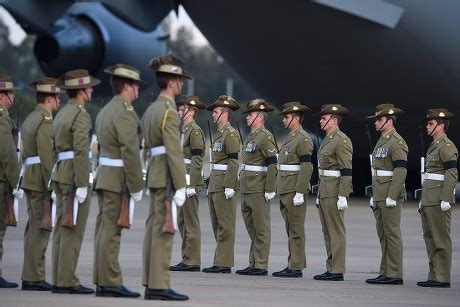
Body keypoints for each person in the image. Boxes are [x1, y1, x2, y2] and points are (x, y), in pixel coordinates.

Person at [141, 54, 190, 301]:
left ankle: (151, 282)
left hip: (154, 174)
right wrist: (181, 184)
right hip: (166, 177)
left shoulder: (152, 109)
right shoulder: (169, 111)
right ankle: (159, 285)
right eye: (179, 79)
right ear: (172, 82)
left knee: (154, 228)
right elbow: (174, 150)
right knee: (164, 230)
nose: (181, 84)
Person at [93, 64, 144, 298]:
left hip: (105, 176)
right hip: (116, 179)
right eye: (135, 85)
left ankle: (103, 281)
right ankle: (111, 281)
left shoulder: (105, 111)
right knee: (111, 233)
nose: (137, 90)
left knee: (104, 231)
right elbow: (130, 151)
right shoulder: (125, 112)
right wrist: (136, 185)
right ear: (126, 86)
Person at [51, 69, 100, 294]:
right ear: (80, 91)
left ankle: (59, 278)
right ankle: (68, 279)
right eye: (88, 87)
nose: (91, 90)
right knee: (73, 230)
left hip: (61, 173)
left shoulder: (61, 113)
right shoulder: (80, 115)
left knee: (62, 229)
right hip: (73, 176)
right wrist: (82, 182)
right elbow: (81, 150)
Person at [21, 78, 62, 290]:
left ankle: (31, 274)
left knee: (33, 228)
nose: (59, 101)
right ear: (48, 98)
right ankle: (34, 277)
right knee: (41, 228)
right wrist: (52, 184)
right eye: (56, 97)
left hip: (30, 176)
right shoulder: (45, 120)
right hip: (40, 180)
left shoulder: (31, 117)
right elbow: (47, 157)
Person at [365, 104, 407, 285]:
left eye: (379, 120)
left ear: (389, 122)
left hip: (389, 195)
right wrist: (375, 194)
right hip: (380, 194)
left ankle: (395, 273)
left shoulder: (396, 142)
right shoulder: (382, 141)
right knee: (383, 235)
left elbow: (400, 171)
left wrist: (392, 195)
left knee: (392, 233)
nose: (376, 123)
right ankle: (386, 271)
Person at [236, 99, 277, 277]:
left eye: (250, 115)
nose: (247, 118)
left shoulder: (265, 137)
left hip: (259, 189)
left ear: (260, 117)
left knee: (261, 229)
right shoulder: (251, 136)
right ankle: (253, 262)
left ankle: (261, 264)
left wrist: (269, 188)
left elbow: (273, 164)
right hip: (247, 188)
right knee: (252, 228)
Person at [417, 109, 458, 288]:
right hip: (429, 199)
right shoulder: (434, 145)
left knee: (440, 239)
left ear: (441, 126)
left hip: (439, 199)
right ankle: (434, 275)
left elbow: (451, 172)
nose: (427, 127)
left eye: (431, 124)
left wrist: (446, 198)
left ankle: (442, 277)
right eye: (427, 124)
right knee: (430, 238)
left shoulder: (446, 146)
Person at [272, 101, 313, 278]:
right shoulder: (291, 137)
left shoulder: (302, 138)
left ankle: (296, 267)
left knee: (296, 229)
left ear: (296, 118)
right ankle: (293, 263)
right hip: (285, 188)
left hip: (294, 189)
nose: (283, 120)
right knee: (290, 228)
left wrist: (299, 191)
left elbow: (306, 166)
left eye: (286, 117)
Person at [313, 104, 352, 282]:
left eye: (324, 118)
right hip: (325, 190)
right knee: (327, 232)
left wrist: (343, 195)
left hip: (335, 190)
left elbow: (346, 170)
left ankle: (337, 269)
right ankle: (331, 267)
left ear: (334, 120)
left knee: (336, 232)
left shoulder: (341, 140)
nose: (320, 121)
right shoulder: (328, 139)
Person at [202, 95, 240, 274]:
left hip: (224, 183)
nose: (212, 115)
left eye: (215, 112)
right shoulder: (219, 134)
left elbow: (233, 161)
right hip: (215, 183)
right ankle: (220, 259)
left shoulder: (230, 134)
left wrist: (230, 185)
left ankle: (223, 263)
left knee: (225, 225)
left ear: (225, 114)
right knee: (216, 224)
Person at [170, 95, 205, 272]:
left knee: (191, 222)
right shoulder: (182, 130)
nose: (179, 112)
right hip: (181, 181)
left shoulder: (195, 131)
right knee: (183, 221)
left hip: (189, 182)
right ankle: (186, 257)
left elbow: (197, 160)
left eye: (182, 110)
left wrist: (192, 184)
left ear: (191, 112)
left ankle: (193, 261)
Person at [0, 74, 20, 288]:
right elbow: (7, 154)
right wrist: (16, 182)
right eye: (9, 94)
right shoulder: (2, 117)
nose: (12, 98)